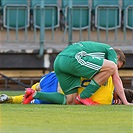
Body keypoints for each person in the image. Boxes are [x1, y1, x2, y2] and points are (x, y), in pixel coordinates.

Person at [23, 41, 132, 105]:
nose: (116, 70)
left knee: (70, 100)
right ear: (117, 57)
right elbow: (116, 79)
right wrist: (126, 102)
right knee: (111, 67)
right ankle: (84, 96)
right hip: (73, 59)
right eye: (118, 66)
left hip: (59, 60)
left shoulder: (97, 54)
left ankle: (33, 94)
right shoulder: (111, 51)